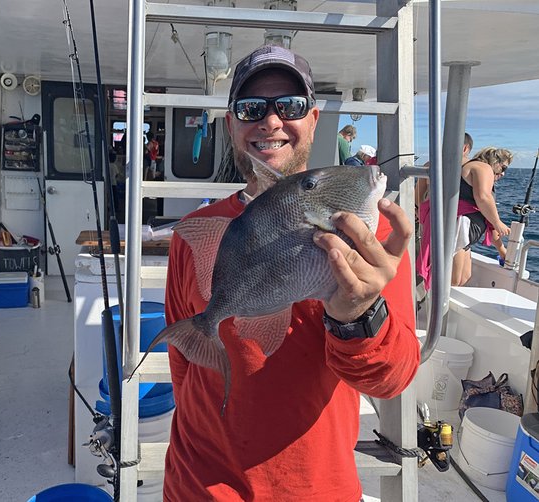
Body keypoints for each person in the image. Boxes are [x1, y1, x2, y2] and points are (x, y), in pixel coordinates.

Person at [163, 45, 419, 501]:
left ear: (314, 119)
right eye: (251, 108)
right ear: (231, 124)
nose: (271, 120)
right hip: (196, 485)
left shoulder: (372, 237)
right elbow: (186, 362)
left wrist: (355, 316)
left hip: (312, 487)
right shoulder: (193, 234)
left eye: (291, 106)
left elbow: (392, 378)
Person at [417, 146, 512, 288]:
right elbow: (483, 198)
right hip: (459, 231)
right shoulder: (483, 168)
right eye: (503, 168)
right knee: (453, 281)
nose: (503, 174)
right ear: (494, 161)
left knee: (464, 277)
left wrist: (501, 249)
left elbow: (418, 194)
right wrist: (498, 222)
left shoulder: (474, 170)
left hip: (463, 236)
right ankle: (438, 309)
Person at [415, 132, 473, 206]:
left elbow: (418, 196)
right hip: (463, 214)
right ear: (465, 148)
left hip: (432, 212)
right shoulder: (472, 168)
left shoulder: (429, 165)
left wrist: (423, 213)